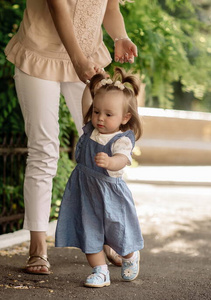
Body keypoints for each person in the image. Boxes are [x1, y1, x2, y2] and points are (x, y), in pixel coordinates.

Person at [4, 0, 138, 275]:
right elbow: (57, 6)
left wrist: (120, 36)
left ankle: (109, 237)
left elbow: (111, 8)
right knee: (44, 150)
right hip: (41, 53)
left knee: (107, 146)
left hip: (88, 58)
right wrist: (77, 59)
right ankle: (37, 248)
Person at [55, 67, 144, 287]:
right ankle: (100, 270)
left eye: (108, 114)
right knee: (89, 232)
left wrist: (110, 162)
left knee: (118, 232)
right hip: (85, 190)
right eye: (97, 112)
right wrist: (90, 85)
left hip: (109, 193)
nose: (100, 118)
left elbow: (122, 160)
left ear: (125, 118)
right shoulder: (89, 130)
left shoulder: (121, 139)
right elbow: (86, 102)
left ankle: (130, 256)